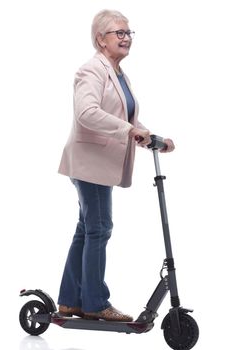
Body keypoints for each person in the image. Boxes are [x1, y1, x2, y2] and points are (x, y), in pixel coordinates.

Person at [57, 9, 175, 322]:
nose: (125, 38)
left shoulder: (119, 74)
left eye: (128, 33)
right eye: (118, 33)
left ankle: (70, 300)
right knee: (99, 229)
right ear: (100, 39)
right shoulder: (91, 71)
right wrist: (128, 130)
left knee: (87, 229)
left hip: (99, 163)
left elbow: (126, 120)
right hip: (88, 163)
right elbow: (87, 113)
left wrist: (154, 137)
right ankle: (95, 303)